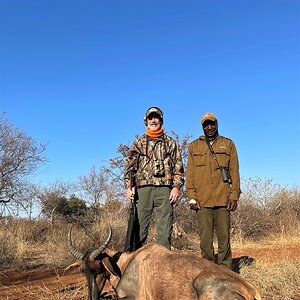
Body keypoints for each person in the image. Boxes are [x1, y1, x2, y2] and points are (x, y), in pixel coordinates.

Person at [124, 106, 184, 250]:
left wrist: (176, 187)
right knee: (139, 229)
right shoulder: (138, 143)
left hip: (165, 189)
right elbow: (129, 167)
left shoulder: (171, 143)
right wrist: (128, 187)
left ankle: (164, 264)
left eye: (156, 117)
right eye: (150, 118)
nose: (153, 120)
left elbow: (178, 167)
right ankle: (137, 265)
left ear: (161, 120)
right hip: (143, 190)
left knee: (165, 229)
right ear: (146, 121)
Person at [186, 112, 241, 269]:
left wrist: (234, 195)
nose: (209, 127)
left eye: (212, 124)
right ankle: (208, 270)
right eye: (206, 124)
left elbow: (235, 171)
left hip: (223, 198)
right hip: (202, 200)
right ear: (202, 126)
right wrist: (191, 196)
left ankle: (225, 271)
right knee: (205, 239)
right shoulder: (194, 146)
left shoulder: (228, 144)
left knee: (224, 238)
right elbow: (190, 173)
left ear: (217, 124)